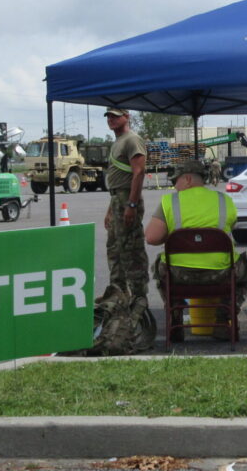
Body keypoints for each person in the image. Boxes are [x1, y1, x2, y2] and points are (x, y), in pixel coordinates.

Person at [145, 159, 247, 341]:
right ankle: (223, 319)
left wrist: (176, 236)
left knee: (158, 266)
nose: (174, 186)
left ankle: (175, 319)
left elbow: (151, 238)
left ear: (187, 179)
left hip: (179, 276)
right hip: (220, 275)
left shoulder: (169, 202)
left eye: (176, 181)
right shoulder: (224, 200)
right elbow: (230, 226)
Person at [88, 106, 153, 355]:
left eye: (116, 116)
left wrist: (132, 204)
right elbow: (118, 179)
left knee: (131, 251)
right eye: (109, 117)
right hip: (117, 198)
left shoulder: (132, 140)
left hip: (127, 198)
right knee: (114, 249)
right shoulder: (117, 142)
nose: (111, 120)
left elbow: (138, 172)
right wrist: (110, 209)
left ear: (127, 117)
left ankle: (138, 299)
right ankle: (117, 296)